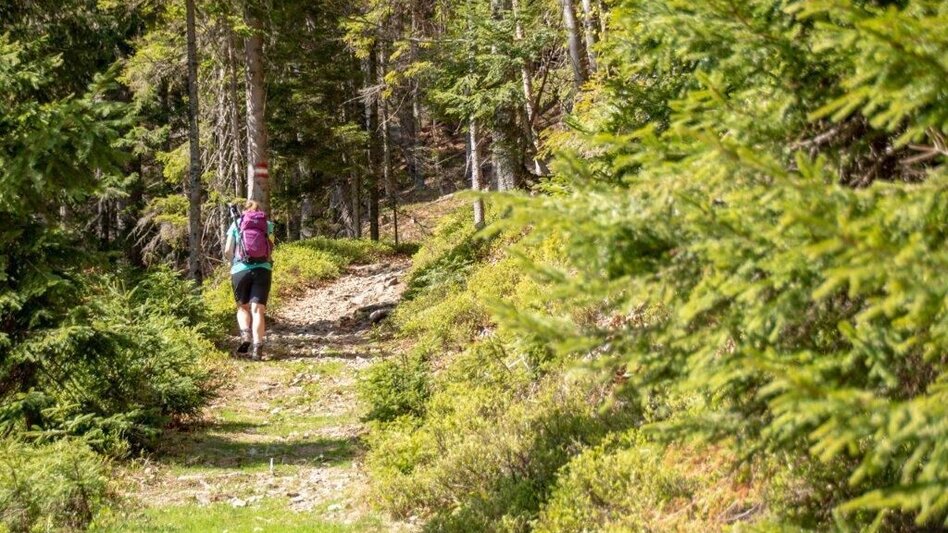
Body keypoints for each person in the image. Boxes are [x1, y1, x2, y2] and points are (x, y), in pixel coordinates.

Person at [224, 200, 274, 360]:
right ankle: (257, 348)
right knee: (258, 310)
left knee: (243, 308)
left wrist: (232, 263)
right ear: (259, 211)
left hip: (240, 270)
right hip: (263, 270)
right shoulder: (267, 225)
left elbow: (227, 250)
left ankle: (246, 335)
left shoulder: (236, 223)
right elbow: (271, 248)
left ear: (245, 211)